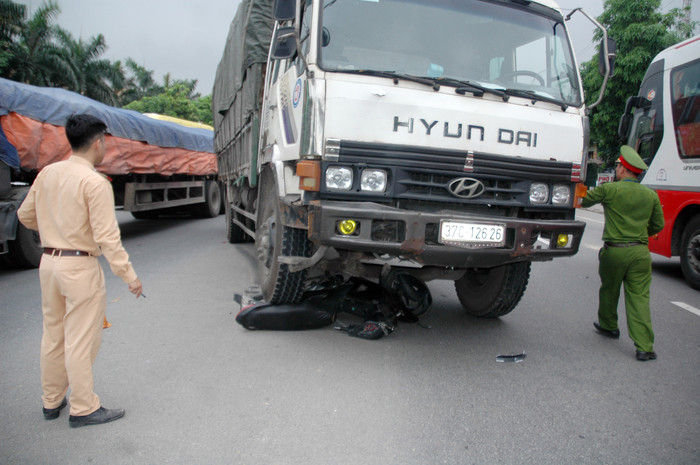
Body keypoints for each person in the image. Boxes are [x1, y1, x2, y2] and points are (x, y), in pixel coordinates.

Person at [18, 114, 144, 427]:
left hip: (49, 263)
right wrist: (130, 277)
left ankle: (51, 401)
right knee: (81, 340)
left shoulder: (47, 173)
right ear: (98, 142)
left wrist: (52, 227)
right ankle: (83, 407)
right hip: (79, 266)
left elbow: (24, 216)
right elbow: (107, 239)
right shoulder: (94, 183)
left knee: (53, 335)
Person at [582, 146, 664, 361]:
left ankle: (609, 326)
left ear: (623, 169)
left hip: (615, 251)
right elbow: (658, 224)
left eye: (617, 165)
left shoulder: (611, 190)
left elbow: (584, 200)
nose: (616, 169)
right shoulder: (650, 195)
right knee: (639, 297)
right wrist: (638, 233)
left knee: (609, 289)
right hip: (640, 252)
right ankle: (644, 347)